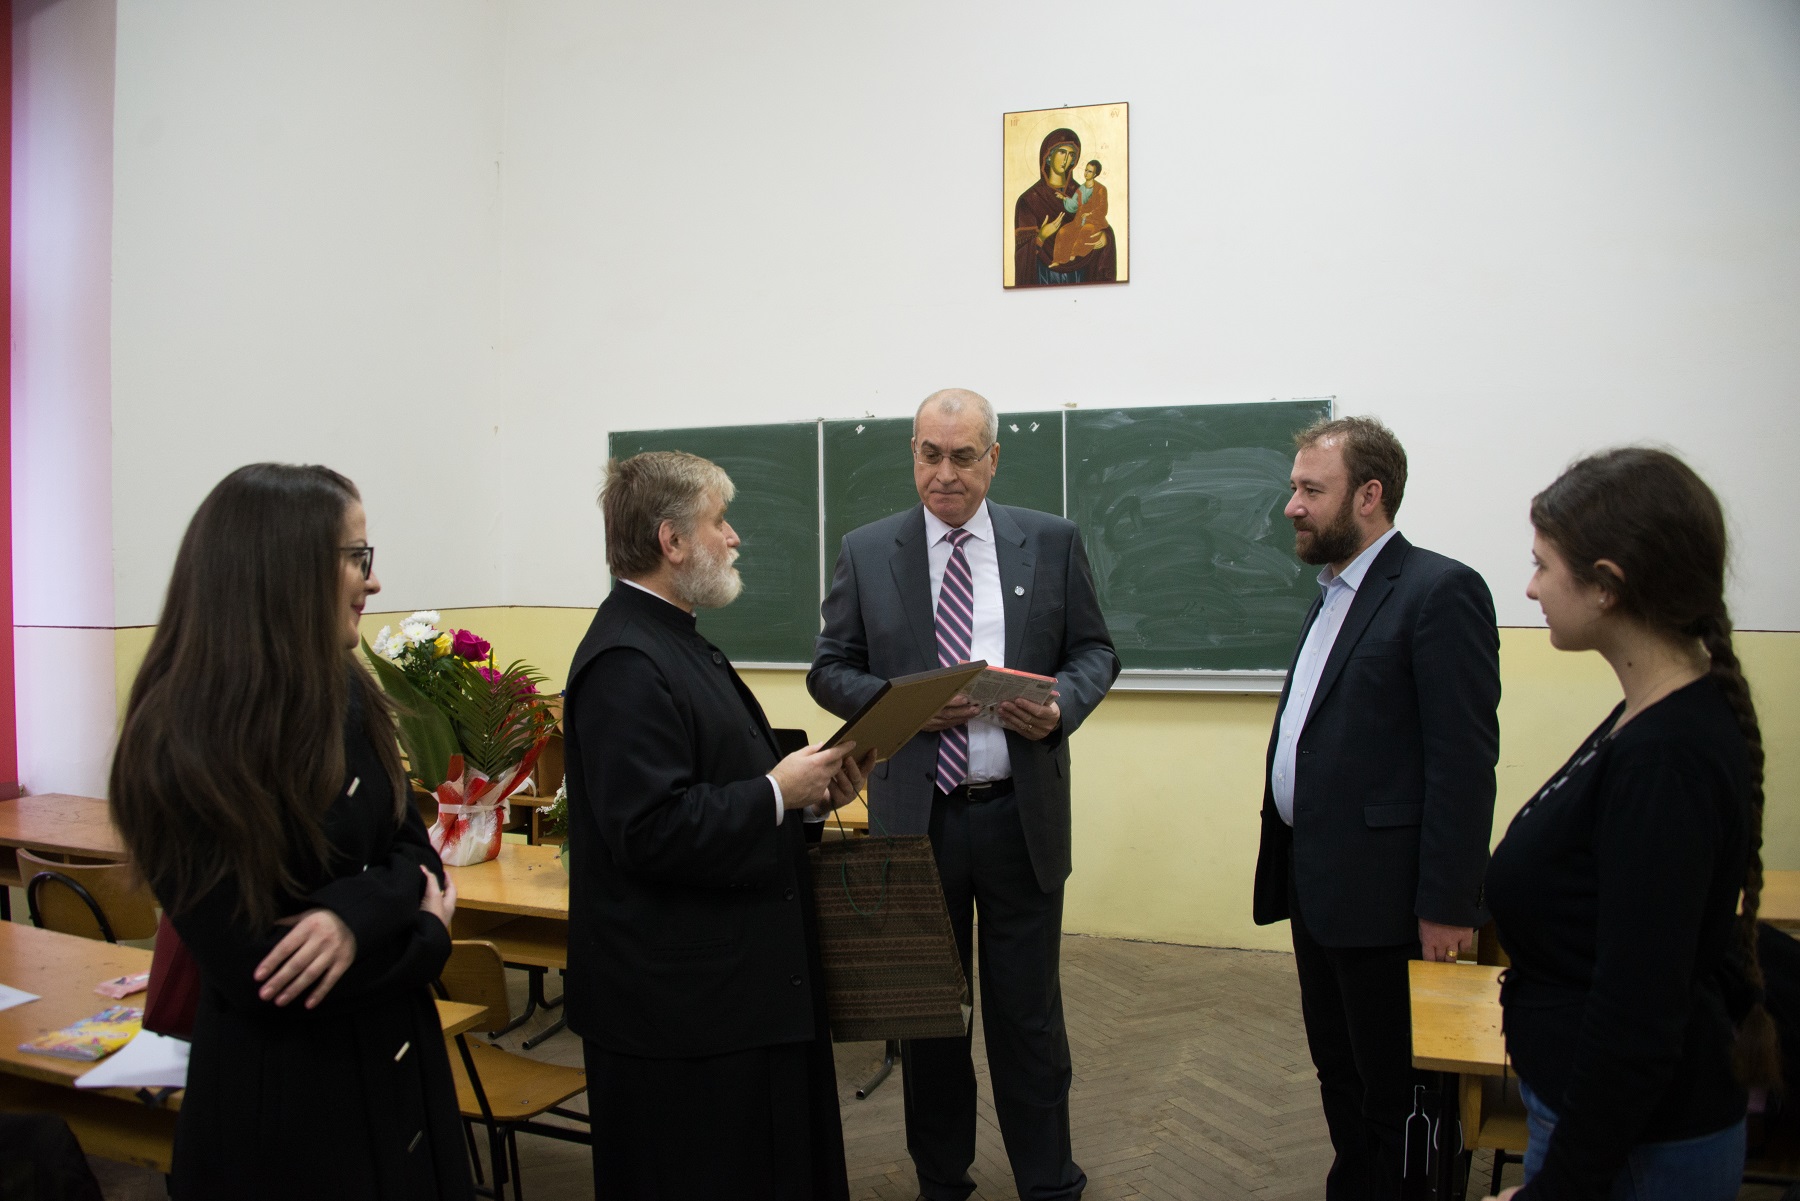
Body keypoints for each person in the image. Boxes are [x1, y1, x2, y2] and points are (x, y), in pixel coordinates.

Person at [109, 464, 471, 1201]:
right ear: (283, 569)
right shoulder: (176, 746)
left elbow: (416, 856)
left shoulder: (347, 693)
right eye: (357, 556)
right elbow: (266, 975)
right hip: (286, 1118)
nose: (374, 581)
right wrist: (425, 941)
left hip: (398, 1079)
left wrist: (348, 918)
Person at [810, 389, 1120, 1201]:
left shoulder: (1049, 542)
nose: (944, 473)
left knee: (1028, 1016)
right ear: (912, 453)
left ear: (993, 458)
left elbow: (1095, 652)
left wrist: (1061, 706)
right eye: (929, 454)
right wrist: (901, 700)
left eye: (962, 456)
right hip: (918, 821)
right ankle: (941, 1179)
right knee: (929, 1019)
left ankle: (1048, 1180)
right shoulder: (867, 550)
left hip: (1020, 816)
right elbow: (829, 668)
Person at [562, 451, 873, 1201]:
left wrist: (805, 799)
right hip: (683, 1015)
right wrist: (775, 792)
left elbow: (717, 781)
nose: (734, 538)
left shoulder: (673, 636)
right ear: (671, 541)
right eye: (719, 522)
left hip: (729, 994)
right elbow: (651, 828)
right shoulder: (626, 660)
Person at [1480, 448, 1775, 1201]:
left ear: (1607, 585)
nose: (1531, 586)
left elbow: (1637, 1018)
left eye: (1543, 565)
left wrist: (1555, 1191)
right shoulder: (1653, 713)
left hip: (1637, 1151)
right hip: (1605, 1126)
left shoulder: (1666, 759)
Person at [1250, 415, 1501, 1201]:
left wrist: (1448, 904)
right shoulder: (1332, 594)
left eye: (1310, 489)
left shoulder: (1438, 591)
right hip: (1319, 889)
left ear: (1369, 494)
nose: (1292, 505)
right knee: (1342, 1073)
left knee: (1402, 1092)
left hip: (1392, 904)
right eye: (1294, 486)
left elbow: (1463, 764)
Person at [1012, 129, 1116, 286]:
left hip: (1080, 271)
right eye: (1062, 152)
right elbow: (1022, 252)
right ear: (1049, 156)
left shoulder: (1082, 192)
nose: (1066, 159)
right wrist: (1041, 236)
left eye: (1071, 155)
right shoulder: (1029, 200)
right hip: (1045, 274)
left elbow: (1099, 220)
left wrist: (1105, 237)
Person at [1051, 161, 1108, 268]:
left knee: (1085, 231)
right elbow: (1074, 204)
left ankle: (1074, 255)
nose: (1086, 173)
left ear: (1095, 174)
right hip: (1079, 221)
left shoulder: (1101, 189)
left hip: (1094, 222)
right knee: (1063, 231)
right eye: (1086, 170)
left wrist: (1090, 214)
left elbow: (1103, 208)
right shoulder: (1081, 188)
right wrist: (1064, 198)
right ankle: (1058, 260)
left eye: (1090, 171)